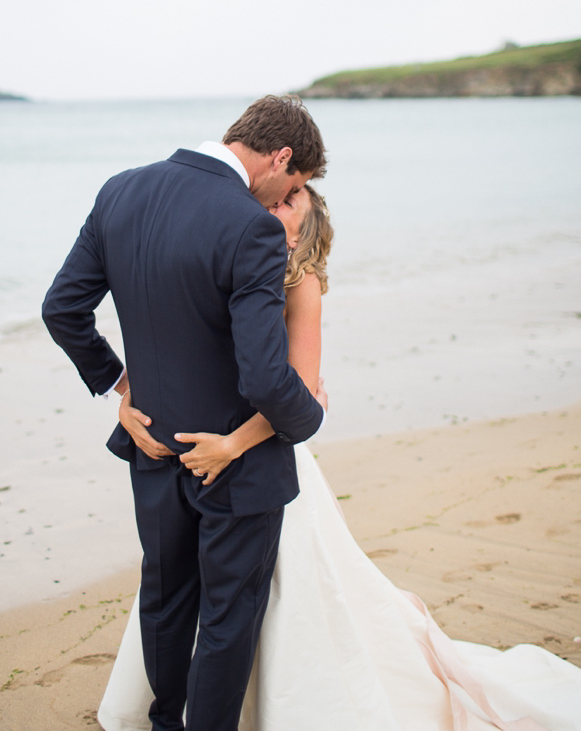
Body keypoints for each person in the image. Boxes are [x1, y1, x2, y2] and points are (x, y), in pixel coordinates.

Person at [98, 187, 581, 731]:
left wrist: (232, 444)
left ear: (305, 228)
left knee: (273, 599)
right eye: (274, 198)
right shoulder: (216, 254)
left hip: (257, 457)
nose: (277, 205)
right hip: (188, 462)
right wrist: (129, 401)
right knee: (188, 594)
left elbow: (300, 391)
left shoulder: (298, 284)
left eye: (291, 201)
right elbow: (169, 348)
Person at [42, 96, 328, 731]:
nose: (285, 196)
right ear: (281, 157)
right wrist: (305, 421)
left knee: (165, 601)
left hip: (150, 444)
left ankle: (166, 722)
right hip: (233, 459)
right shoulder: (249, 225)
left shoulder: (121, 190)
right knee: (228, 615)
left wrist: (121, 386)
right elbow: (261, 373)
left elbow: (62, 309)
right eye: (295, 183)